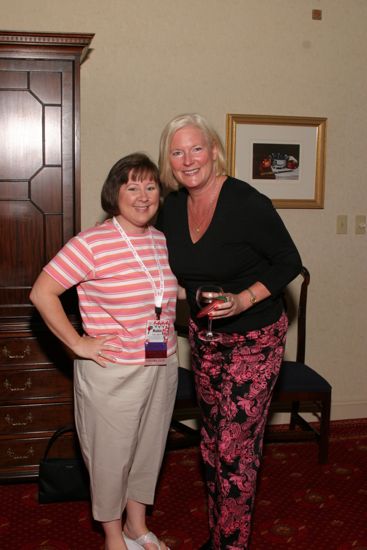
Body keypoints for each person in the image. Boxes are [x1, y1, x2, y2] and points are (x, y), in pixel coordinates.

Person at [157, 114, 302, 550]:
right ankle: (221, 533)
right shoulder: (170, 207)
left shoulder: (246, 201)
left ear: (215, 150)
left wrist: (244, 300)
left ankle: (231, 544)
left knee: (235, 451)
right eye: (177, 151)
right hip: (204, 341)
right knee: (212, 443)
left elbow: (288, 261)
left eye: (196, 148)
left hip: (255, 340)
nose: (188, 160)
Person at [30, 153, 178, 550]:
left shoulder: (161, 239)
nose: (143, 196)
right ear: (115, 193)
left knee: (149, 449)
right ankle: (113, 535)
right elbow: (42, 293)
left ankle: (137, 526)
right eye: (133, 186)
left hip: (160, 361)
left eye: (150, 186)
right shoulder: (92, 242)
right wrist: (78, 344)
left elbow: (158, 293)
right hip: (113, 371)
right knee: (111, 457)